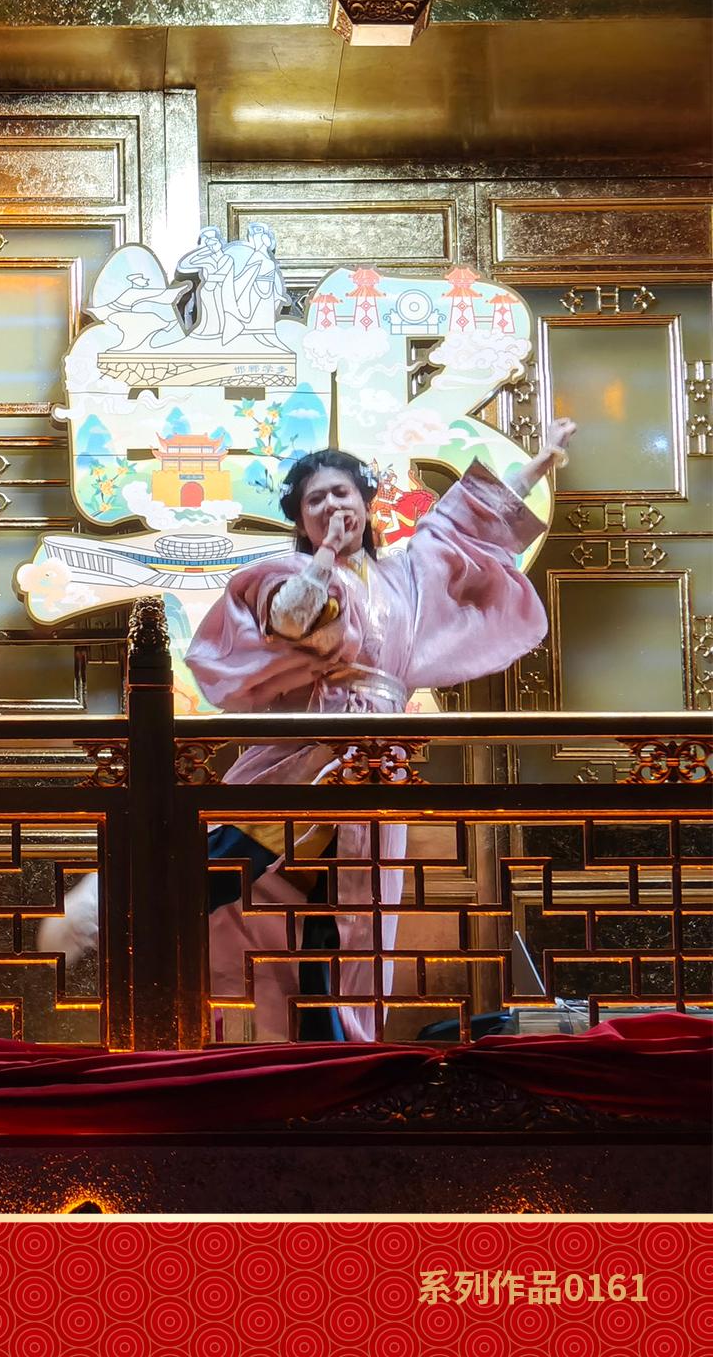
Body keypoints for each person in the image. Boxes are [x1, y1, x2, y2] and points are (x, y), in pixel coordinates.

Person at [179, 419, 575, 1041]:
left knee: (343, 915)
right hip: (305, 755)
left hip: (377, 763)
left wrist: (535, 468)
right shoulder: (287, 571)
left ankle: (332, 1048)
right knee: (228, 870)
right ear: (300, 518)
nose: (330, 506)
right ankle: (133, 934)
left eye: (341, 493)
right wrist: (325, 560)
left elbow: (467, 527)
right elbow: (292, 619)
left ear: (366, 503)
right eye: (314, 500)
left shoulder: (407, 575)